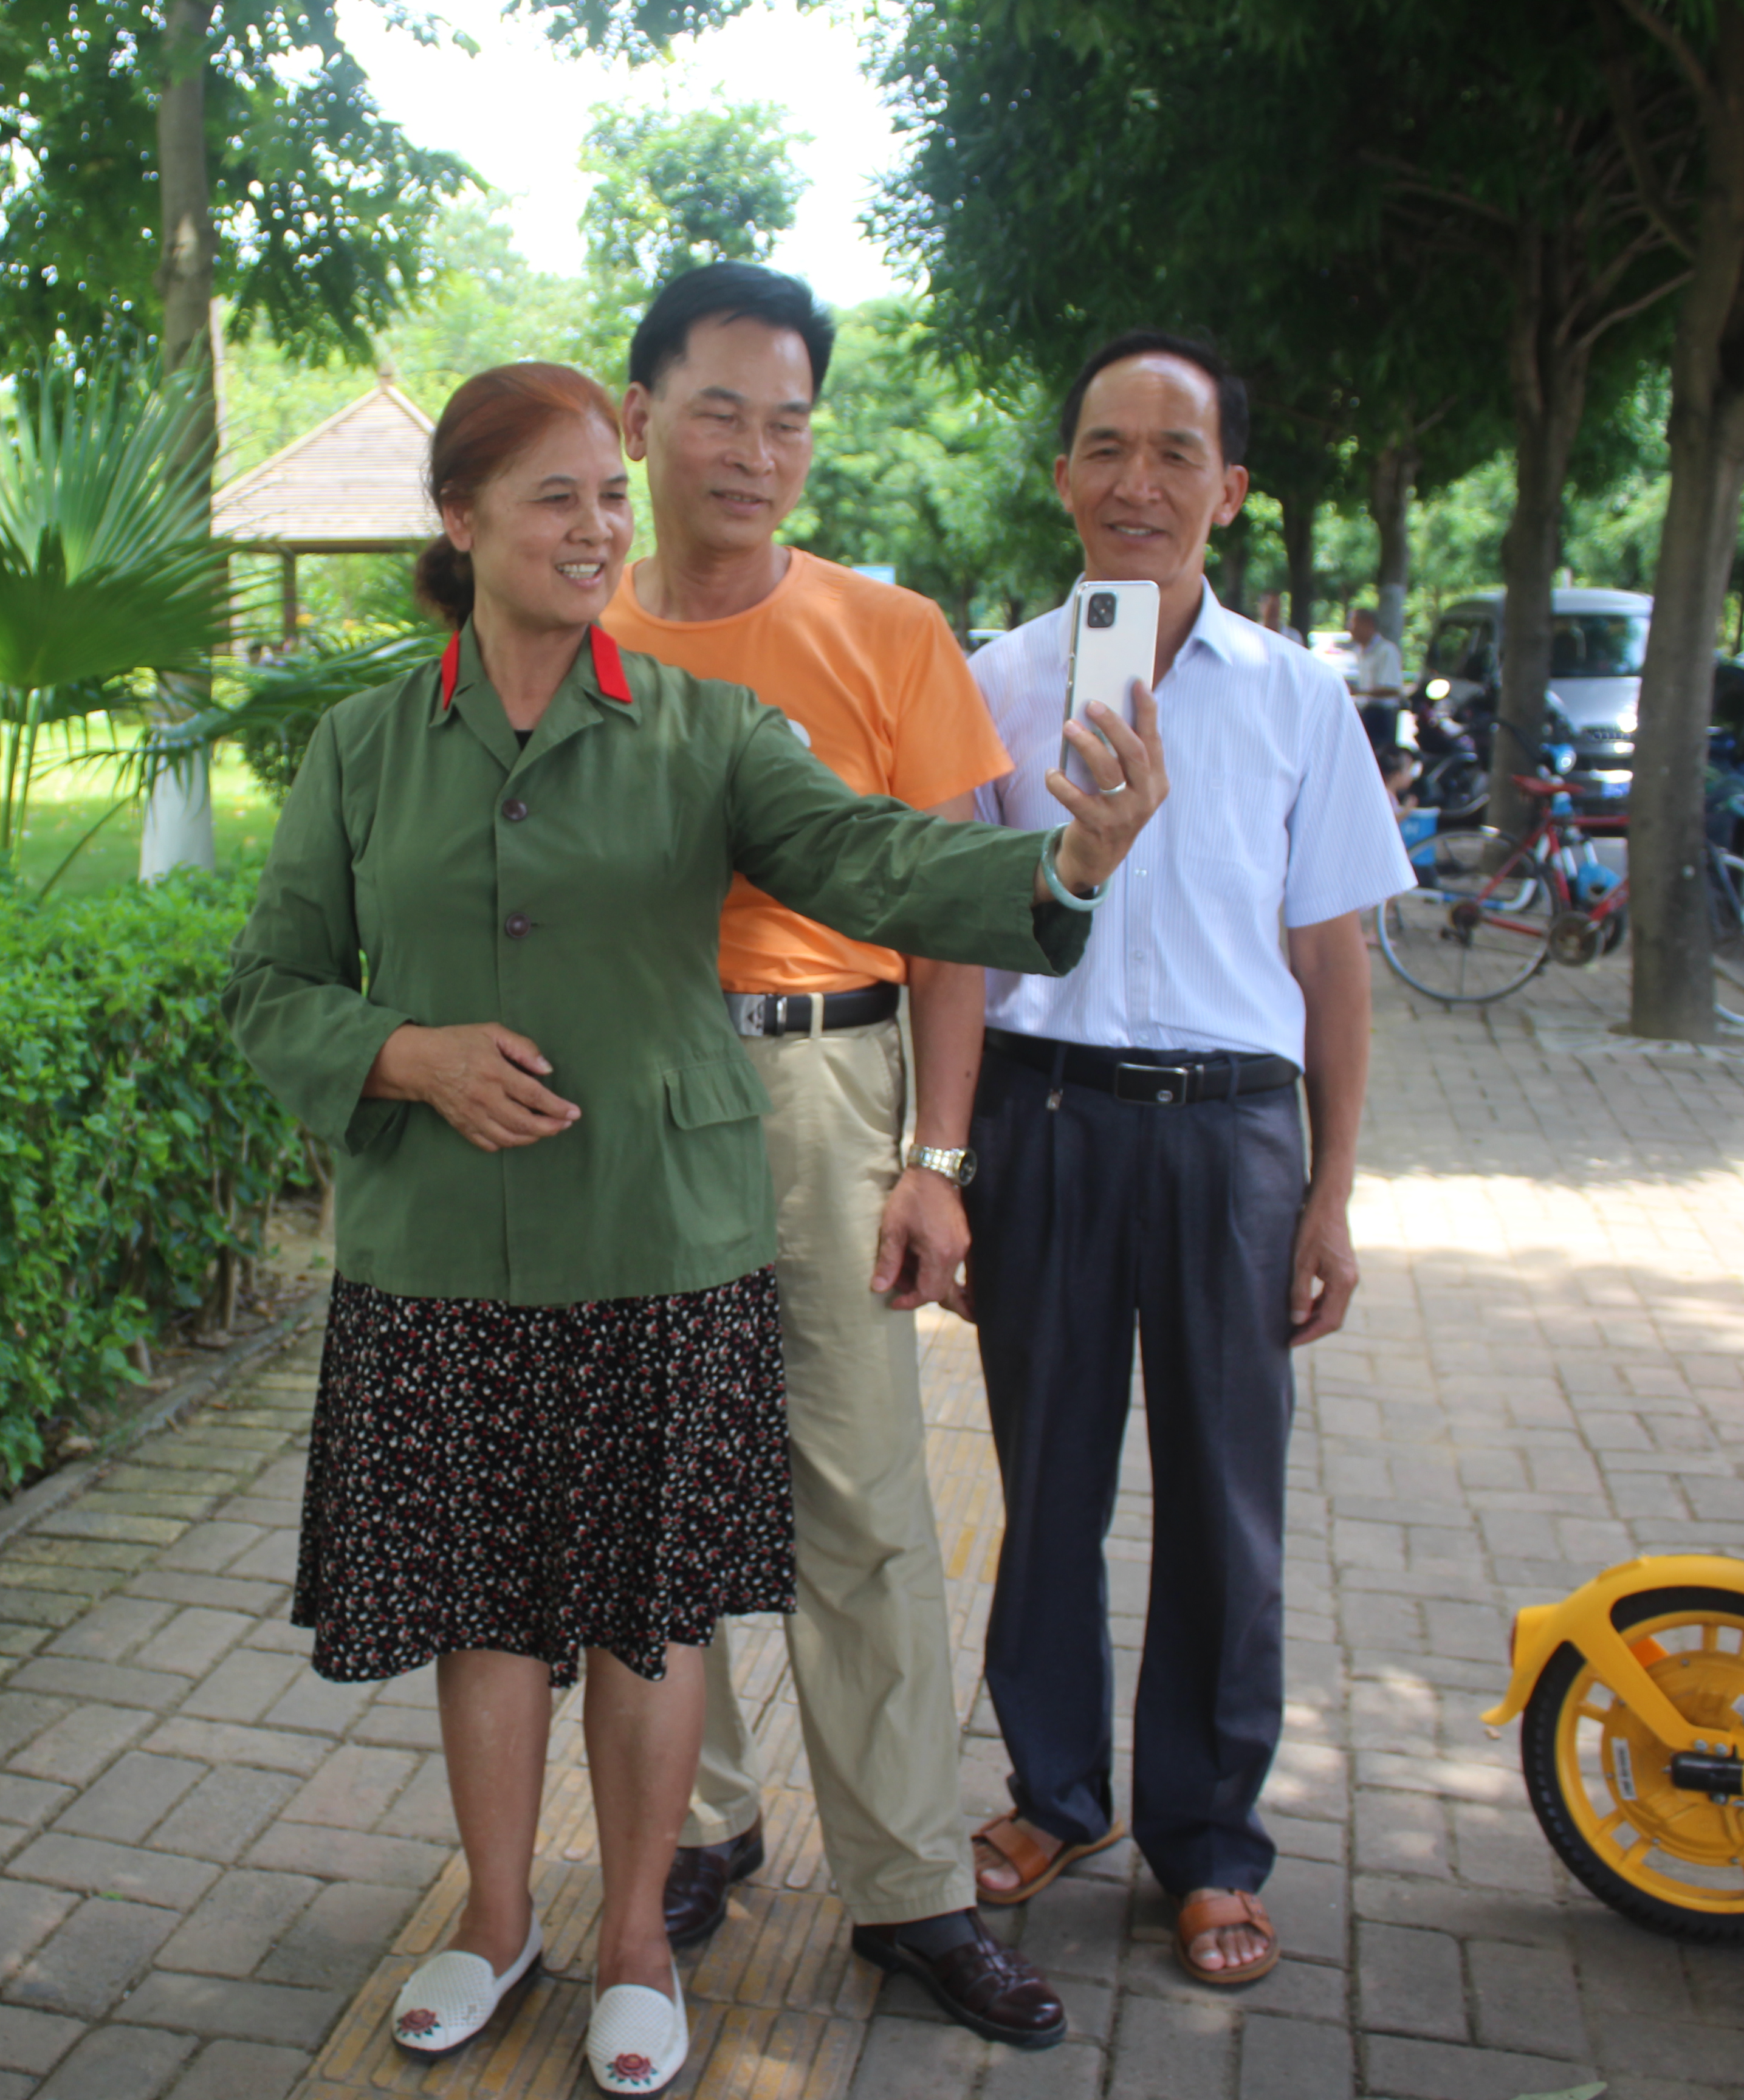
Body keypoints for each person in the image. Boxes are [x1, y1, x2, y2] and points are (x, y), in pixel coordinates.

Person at [224, 362, 1161, 2096]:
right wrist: (403, 1053)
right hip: (438, 1247)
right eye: (555, 500)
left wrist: (1067, 872)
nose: (598, 529)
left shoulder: (698, 727)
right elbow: (271, 987)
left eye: (605, 494)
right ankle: (500, 1922)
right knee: (485, 1609)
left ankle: (640, 1939)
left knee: (644, 1614)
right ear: (461, 524)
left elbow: (877, 867)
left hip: (661, 1230)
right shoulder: (360, 746)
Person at [596, 262, 1068, 2051]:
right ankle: (694, 1831)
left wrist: (936, 1156)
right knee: (657, 1486)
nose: (756, 450)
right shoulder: (570, 633)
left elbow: (957, 926)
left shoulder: (890, 634)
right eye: (719, 409)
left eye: (787, 418)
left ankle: (909, 1888)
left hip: (830, 1092)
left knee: (864, 1504)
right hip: (626, 1105)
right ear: (638, 420)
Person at [958, 332, 1411, 1988]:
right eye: (1105, 448)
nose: (1137, 481)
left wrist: (1334, 1191)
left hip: (1231, 1137)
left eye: (1176, 452)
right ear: (1064, 476)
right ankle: (1057, 1792)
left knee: (1227, 1503)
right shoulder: (993, 682)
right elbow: (953, 948)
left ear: (1229, 489)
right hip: (1047, 1120)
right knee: (1047, 1487)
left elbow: (1334, 964)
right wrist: (944, 1159)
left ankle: (1212, 1841)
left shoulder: (1298, 694)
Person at [1346, 604, 1407, 760]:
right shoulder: (1359, 652)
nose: (1350, 629)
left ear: (1368, 625)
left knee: (1380, 759)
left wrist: (1360, 691)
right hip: (1365, 712)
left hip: (1382, 715)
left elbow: (1393, 689)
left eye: (1353, 623)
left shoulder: (1386, 651)